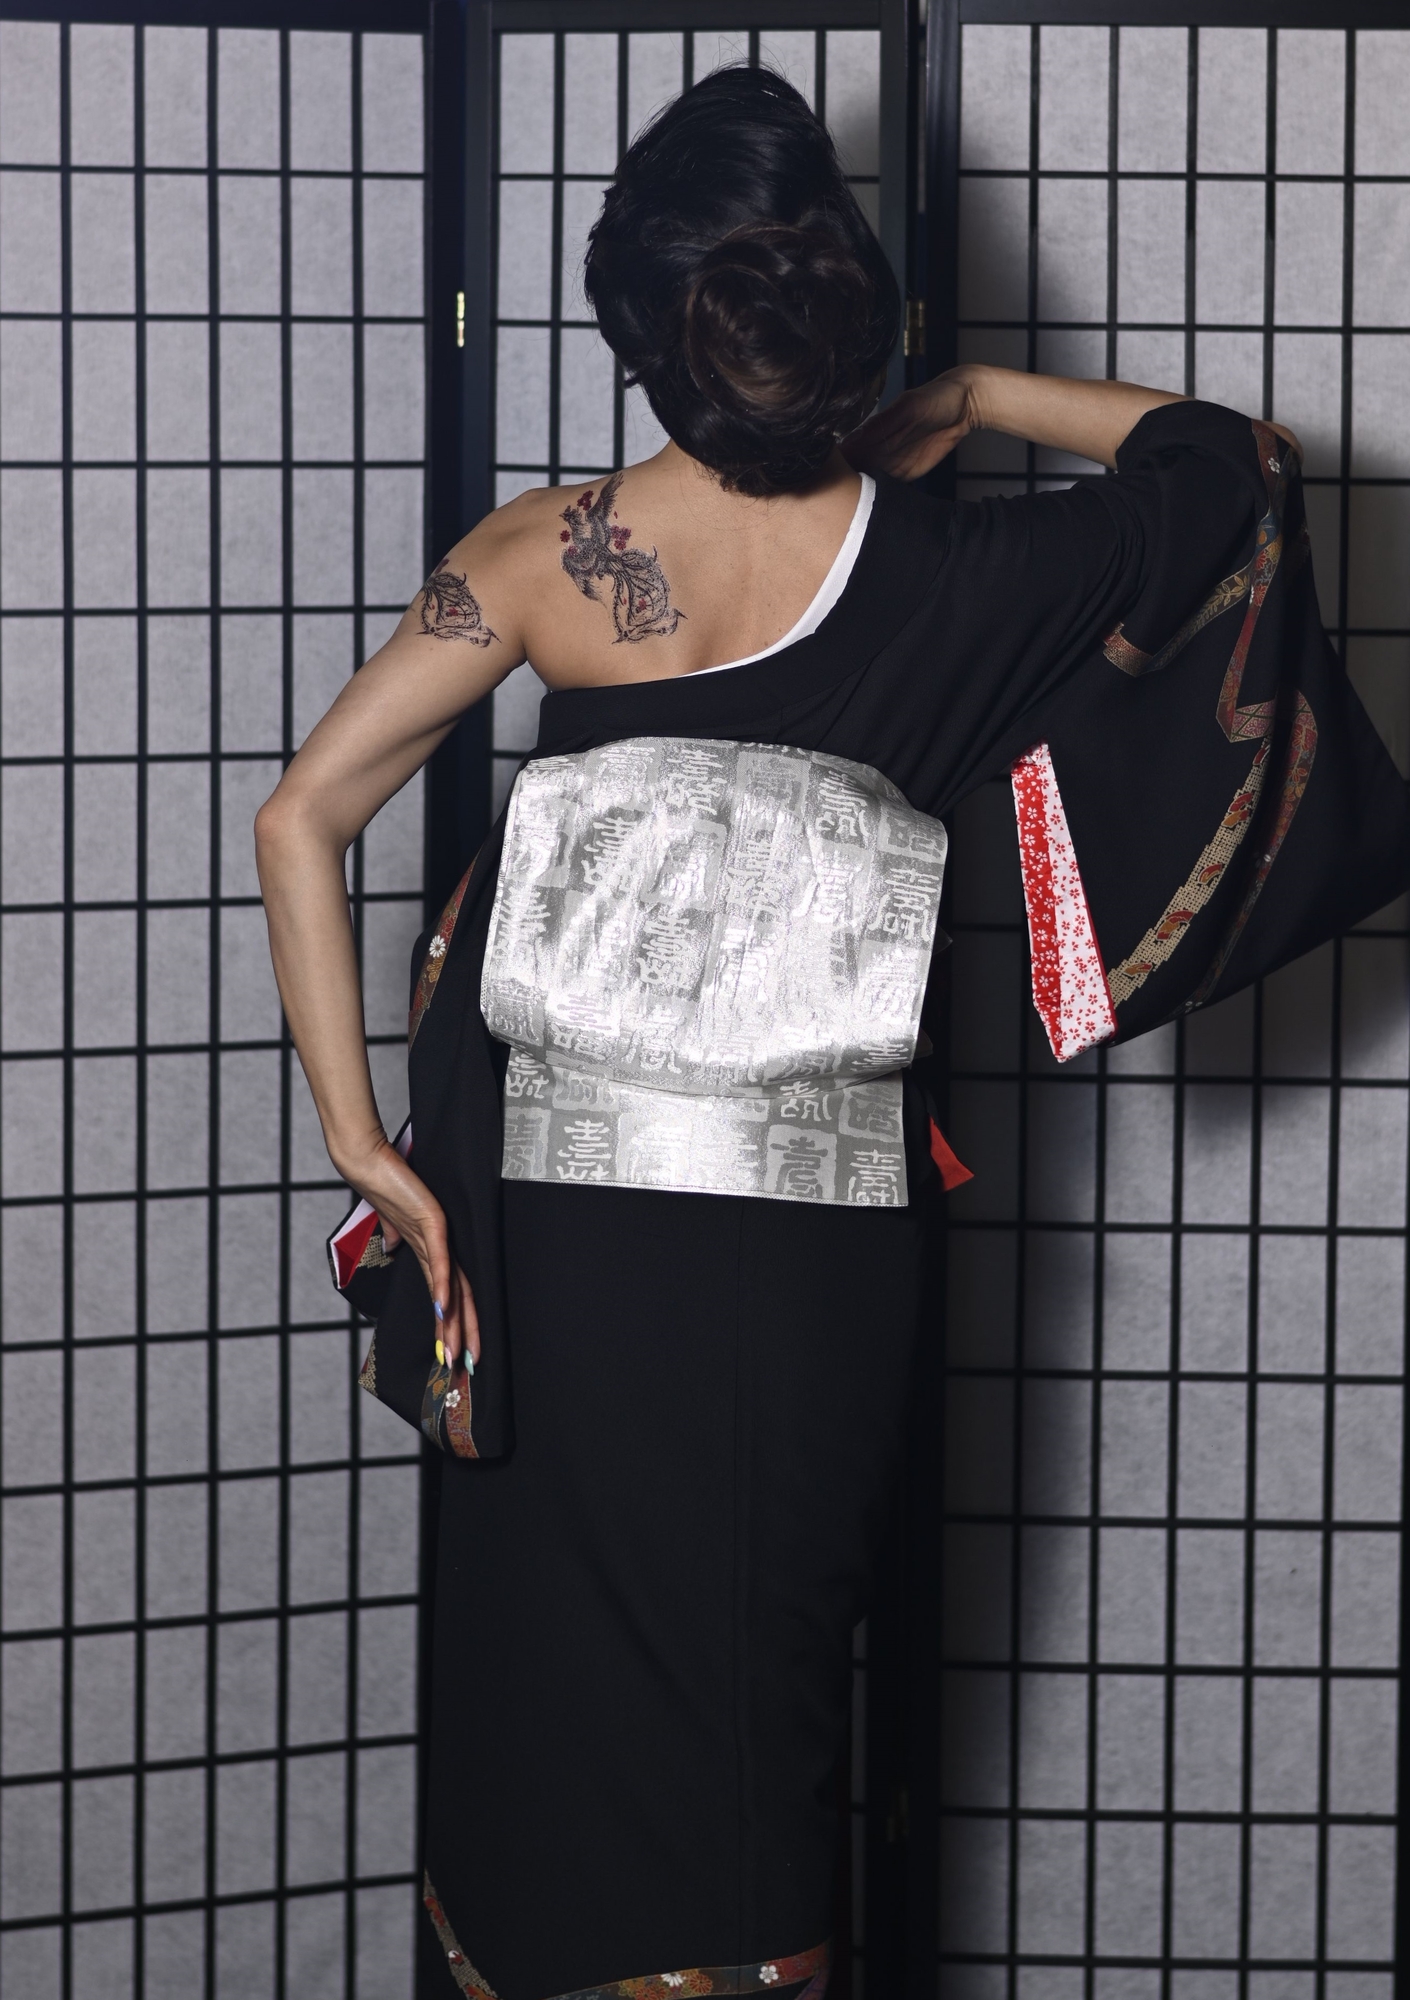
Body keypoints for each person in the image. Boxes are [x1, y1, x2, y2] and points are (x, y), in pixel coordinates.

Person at [256, 64, 1406, 2000]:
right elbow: (1234, 457)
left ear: (639, 323)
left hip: (555, 1220)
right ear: (841, 316)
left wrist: (362, 1142)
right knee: (769, 1653)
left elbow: (300, 816)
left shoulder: (545, 555)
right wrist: (970, 397)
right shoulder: (978, 567)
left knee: (553, 1639)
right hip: (815, 1235)